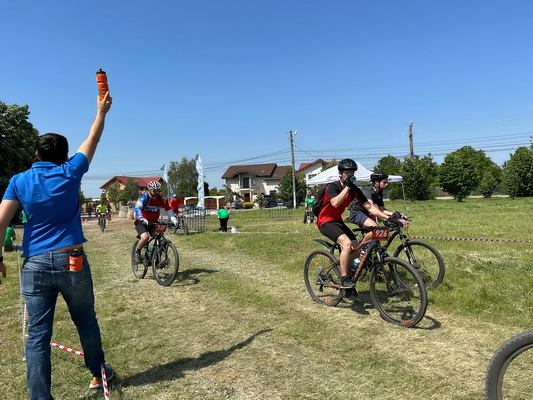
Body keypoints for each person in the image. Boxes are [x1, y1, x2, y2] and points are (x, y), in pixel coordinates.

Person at [0, 92, 114, 399]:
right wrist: (101, 111)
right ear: (65, 155)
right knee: (85, 319)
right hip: (71, 259)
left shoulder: (19, 181)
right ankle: (98, 373)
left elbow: (1, 221)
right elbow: (93, 138)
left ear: (36, 154)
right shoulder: (71, 171)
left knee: (37, 335)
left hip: (35, 264)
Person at [316, 159, 402, 291]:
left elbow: (370, 207)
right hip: (325, 221)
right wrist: (347, 187)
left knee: (356, 250)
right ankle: (344, 279)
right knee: (346, 244)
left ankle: (347, 272)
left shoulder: (354, 189)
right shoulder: (332, 187)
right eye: (347, 172)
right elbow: (335, 203)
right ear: (341, 174)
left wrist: (389, 218)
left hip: (337, 221)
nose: (350, 175)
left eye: (352, 172)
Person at [348, 171, 405, 242]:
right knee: (376, 229)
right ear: (376, 182)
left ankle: (373, 248)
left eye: (387, 182)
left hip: (366, 214)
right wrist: (388, 218)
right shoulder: (367, 191)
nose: (387, 184)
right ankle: (361, 247)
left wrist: (396, 215)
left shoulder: (379, 193)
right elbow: (371, 209)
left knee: (378, 236)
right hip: (357, 213)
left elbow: (382, 209)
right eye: (384, 182)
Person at [133, 181, 178, 263]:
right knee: (145, 237)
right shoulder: (144, 197)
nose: (156, 193)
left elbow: (168, 209)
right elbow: (137, 208)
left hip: (153, 221)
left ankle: (156, 258)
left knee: (160, 237)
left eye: (158, 191)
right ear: (150, 190)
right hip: (141, 221)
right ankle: (137, 252)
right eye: (154, 191)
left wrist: (173, 219)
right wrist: (141, 218)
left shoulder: (161, 198)